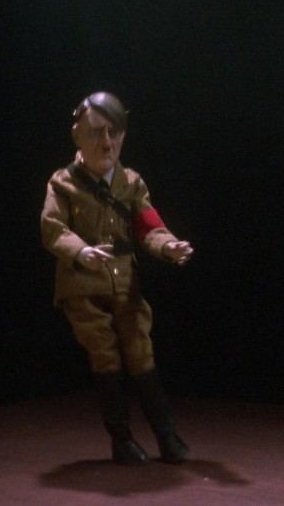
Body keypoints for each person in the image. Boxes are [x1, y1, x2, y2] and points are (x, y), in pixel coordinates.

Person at [41, 91, 194, 466]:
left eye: (114, 132)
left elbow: (148, 226)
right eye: (96, 132)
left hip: (125, 285)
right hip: (82, 288)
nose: (106, 142)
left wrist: (169, 246)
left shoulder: (131, 183)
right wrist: (81, 251)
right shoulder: (63, 184)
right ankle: (122, 440)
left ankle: (167, 436)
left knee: (140, 350)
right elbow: (53, 228)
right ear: (77, 135)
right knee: (105, 354)